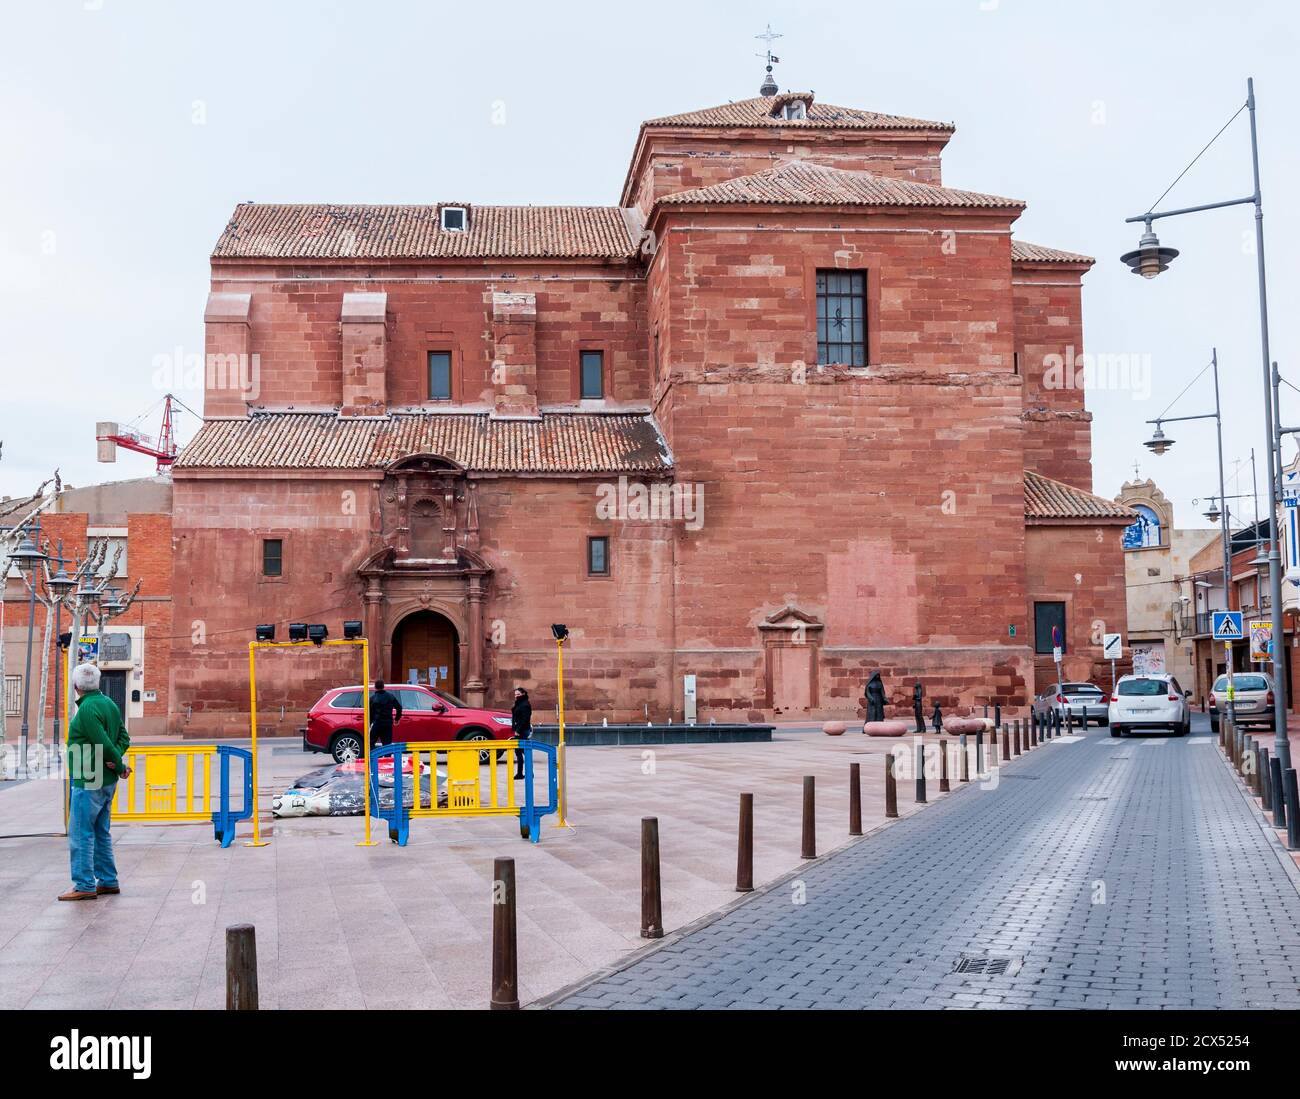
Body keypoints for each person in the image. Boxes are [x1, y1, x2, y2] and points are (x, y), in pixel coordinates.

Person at [61, 663, 130, 902]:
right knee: (101, 831)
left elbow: (103, 743)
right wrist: (116, 761)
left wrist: (118, 764)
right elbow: (124, 737)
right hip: (106, 780)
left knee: (81, 833)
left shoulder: (88, 709)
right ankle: (108, 880)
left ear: (76, 686)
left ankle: (84, 884)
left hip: (88, 778)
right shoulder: (109, 704)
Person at [368, 679, 403, 749]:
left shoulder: (372, 698)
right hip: (387, 724)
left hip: (376, 723)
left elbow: (370, 712)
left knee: (371, 742)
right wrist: (397, 719)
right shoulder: (390, 696)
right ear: (384, 686)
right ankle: (387, 758)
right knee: (387, 744)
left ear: (375, 687)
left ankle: (374, 757)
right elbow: (399, 708)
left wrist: (371, 723)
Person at [511, 687, 532, 779]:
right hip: (519, 730)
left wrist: (518, 730)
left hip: (522, 731)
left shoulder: (525, 704)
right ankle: (528, 773)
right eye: (515, 695)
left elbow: (525, 719)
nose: (516, 696)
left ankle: (521, 773)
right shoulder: (519, 703)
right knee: (522, 751)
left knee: (520, 751)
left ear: (523, 694)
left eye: (518, 694)